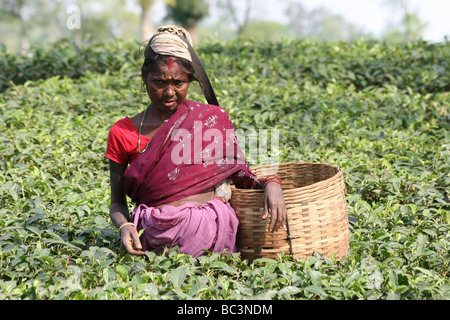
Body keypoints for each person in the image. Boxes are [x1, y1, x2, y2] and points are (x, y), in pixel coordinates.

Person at [105, 25, 286, 257]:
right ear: (144, 78)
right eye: (159, 83)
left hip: (211, 232)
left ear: (190, 80)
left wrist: (271, 183)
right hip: (153, 237)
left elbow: (241, 175)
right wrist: (124, 225)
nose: (169, 92)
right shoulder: (122, 132)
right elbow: (117, 203)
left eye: (178, 83)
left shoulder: (211, 119)